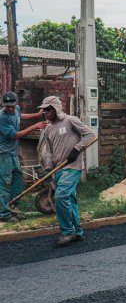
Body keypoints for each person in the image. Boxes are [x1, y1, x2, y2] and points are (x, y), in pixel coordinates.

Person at [38, 96, 96, 246]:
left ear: (55, 109)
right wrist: (49, 169)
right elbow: (49, 151)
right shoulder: (48, 129)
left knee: (60, 196)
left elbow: (91, 135)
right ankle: (77, 232)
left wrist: (76, 149)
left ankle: (67, 232)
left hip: (72, 167)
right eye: (44, 110)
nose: (45, 113)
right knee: (69, 200)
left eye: (47, 110)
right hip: (58, 170)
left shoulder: (71, 120)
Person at [0, 92, 47, 222]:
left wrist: (36, 115)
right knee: (4, 184)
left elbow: (20, 116)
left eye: (12, 106)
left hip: (13, 153)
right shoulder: (2, 117)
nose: (10, 108)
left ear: (16, 104)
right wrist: (34, 126)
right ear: (4, 105)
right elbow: (15, 135)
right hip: (3, 154)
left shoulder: (16, 109)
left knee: (18, 182)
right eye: (7, 106)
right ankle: (3, 214)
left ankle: (13, 209)